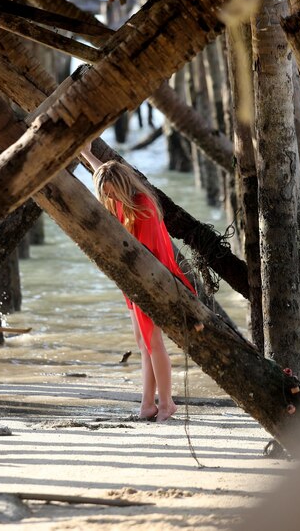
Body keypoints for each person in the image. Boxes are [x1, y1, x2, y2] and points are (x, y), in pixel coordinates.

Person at [81, 145, 197, 422]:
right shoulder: (124, 199)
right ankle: (147, 404)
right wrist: (86, 153)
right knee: (143, 343)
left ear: (121, 188)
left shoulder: (142, 208)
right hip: (133, 282)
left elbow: (147, 257)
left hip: (151, 282)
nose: (106, 197)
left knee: (153, 343)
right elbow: (105, 172)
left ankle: (166, 403)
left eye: (109, 192)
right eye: (104, 193)